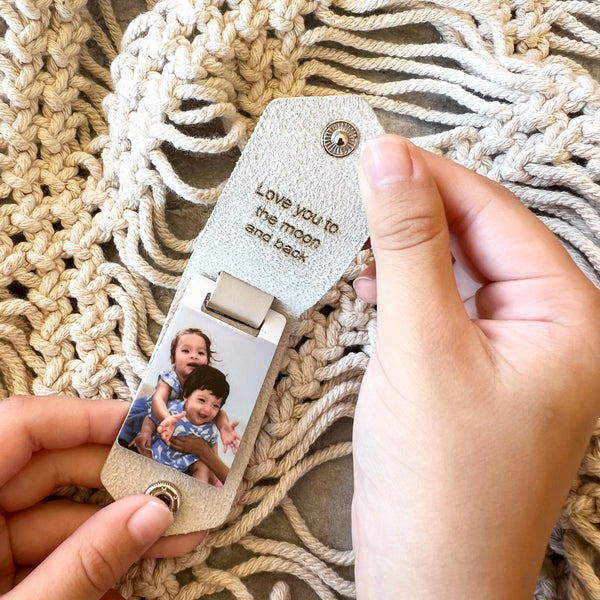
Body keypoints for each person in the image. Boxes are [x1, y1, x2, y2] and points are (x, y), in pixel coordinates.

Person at [0, 134, 598, 599]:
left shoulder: (212, 422)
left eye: (207, 387)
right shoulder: (168, 403)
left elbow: (212, 440)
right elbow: (161, 414)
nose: (200, 392)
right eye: (192, 364)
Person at [119, 328, 240, 455]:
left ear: (207, 363)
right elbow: (159, 399)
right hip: (150, 412)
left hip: (175, 422)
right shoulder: (170, 378)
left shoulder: (204, 385)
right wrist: (167, 418)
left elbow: (218, 412)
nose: (194, 356)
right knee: (132, 434)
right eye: (186, 351)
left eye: (201, 353)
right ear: (173, 360)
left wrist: (224, 427)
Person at [138, 365, 231, 484]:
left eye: (215, 406)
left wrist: (212, 474)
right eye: (202, 400)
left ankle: (198, 489)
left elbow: (212, 453)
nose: (207, 410)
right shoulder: (173, 409)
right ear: (186, 396)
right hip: (158, 452)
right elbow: (151, 418)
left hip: (185, 464)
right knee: (143, 450)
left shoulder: (210, 429)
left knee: (203, 467)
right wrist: (145, 433)